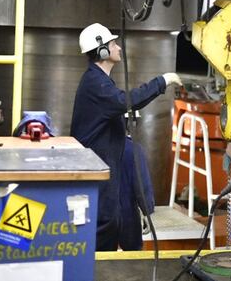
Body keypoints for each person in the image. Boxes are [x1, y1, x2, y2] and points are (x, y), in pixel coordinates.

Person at [70, 22, 182, 251]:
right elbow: (124, 100)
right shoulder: (95, 82)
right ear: (101, 50)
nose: (118, 48)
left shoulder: (100, 81)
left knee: (110, 222)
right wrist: (161, 82)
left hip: (105, 165)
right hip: (96, 168)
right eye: (113, 43)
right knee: (103, 225)